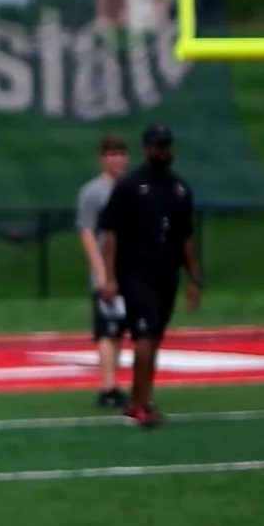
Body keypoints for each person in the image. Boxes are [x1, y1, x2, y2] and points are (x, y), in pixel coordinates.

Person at [98, 123, 202, 428]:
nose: (163, 151)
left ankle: (139, 398)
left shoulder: (179, 189)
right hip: (135, 271)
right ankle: (141, 403)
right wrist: (109, 277)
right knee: (143, 334)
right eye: (157, 146)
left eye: (166, 146)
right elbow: (111, 233)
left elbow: (185, 237)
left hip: (165, 271)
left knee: (154, 336)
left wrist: (194, 278)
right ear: (146, 148)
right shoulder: (130, 185)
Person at [75, 133, 130, 409]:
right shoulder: (93, 191)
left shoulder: (133, 187)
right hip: (106, 271)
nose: (116, 159)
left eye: (120, 153)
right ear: (102, 157)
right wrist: (101, 271)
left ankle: (115, 383)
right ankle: (107, 386)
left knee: (120, 329)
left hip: (129, 269)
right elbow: (86, 232)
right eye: (111, 154)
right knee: (106, 330)